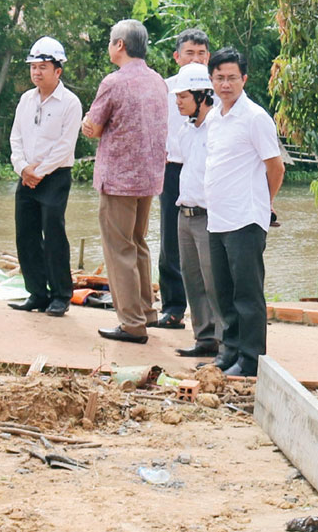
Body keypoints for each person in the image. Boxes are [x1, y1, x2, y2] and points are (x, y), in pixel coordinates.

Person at [82, 19, 168, 344]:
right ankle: (146, 311)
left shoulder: (114, 82)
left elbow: (95, 124)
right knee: (138, 243)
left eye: (110, 41)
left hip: (118, 179)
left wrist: (86, 126)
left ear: (119, 45)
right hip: (148, 177)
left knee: (119, 250)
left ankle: (131, 323)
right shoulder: (158, 81)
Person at [203, 47, 285, 376]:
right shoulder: (213, 117)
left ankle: (250, 361)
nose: (226, 84)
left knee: (247, 294)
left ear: (244, 79)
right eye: (219, 78)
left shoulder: (255, 118)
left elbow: (275, 168)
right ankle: (229, 351)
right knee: (224, 292)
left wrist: (264, 204)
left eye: (232, 78)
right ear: (211, 80)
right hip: (218, 219)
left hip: (246, 219)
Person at [7, 37, 82, 317]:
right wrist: (22, 167)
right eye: (34, 67)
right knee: (25, 234)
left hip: (55, 176)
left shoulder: (70, 103)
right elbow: (15, 136)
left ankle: (61, 294)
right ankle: (37, 293)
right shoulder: (26, 99)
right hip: (26, 175)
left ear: (58, 71)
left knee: (53, 233)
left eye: (43, 67)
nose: (37, 72)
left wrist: (38, 172)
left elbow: (65, 144)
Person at [152, 29, 211, 331]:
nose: (196, 59)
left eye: (202, 54)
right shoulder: (166, 89)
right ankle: (173, 307)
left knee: (207, 239)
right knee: (170, 238)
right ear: (176, 57)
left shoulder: (214, 91)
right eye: (190, 53)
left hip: (207, 170)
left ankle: (210, 317)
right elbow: (153, 127)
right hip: (173, 168)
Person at [171, 62, 223, 358]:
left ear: (202, 96)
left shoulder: (217, 127)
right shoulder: (186, 131)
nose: (177, 102)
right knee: (192, 279)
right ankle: (204, 338)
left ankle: (224, 342)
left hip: (208, 215)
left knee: (214, 281)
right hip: (185, 214)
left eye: (183, 97)